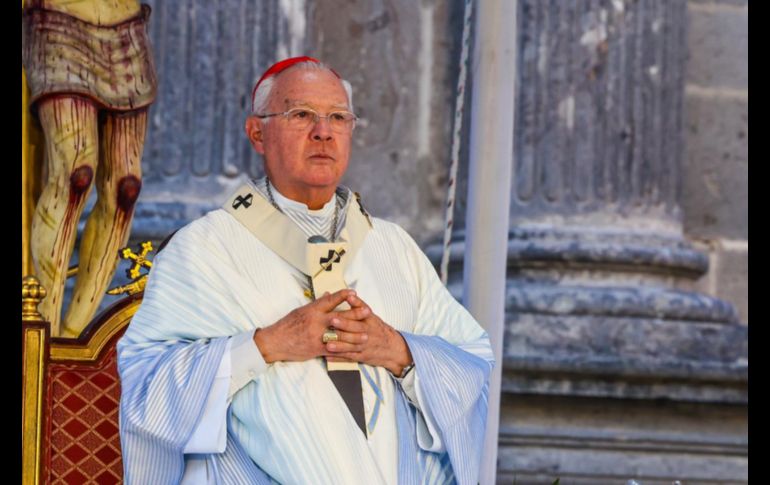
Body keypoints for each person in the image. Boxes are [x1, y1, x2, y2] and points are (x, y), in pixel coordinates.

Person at [117, 56, 494, 485]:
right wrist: (268, 344)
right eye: (301, 114)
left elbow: (472, 362)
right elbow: (146, 390)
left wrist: (396, 349)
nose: (323, 131)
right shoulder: (203, 249)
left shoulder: (393, 247)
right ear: (257, 133)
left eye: (338, 117)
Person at [22, 0, 157, 337]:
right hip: (58, 19)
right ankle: (43, 330)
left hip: (124, 25)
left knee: (126, 188)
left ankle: (74, 334)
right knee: (75, 173)